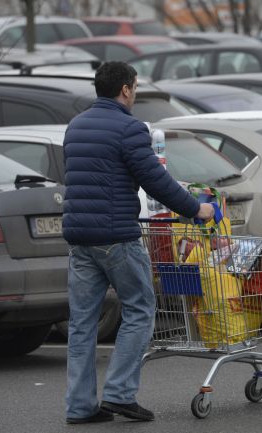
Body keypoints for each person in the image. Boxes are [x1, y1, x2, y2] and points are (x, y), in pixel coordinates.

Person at [62, 61, 214, 424]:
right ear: (127, 89)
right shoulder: (129, 128)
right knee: (141, 307)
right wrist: (197, 210)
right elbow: (155, 180)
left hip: (80, 237)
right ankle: (119, 394)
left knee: (82, 323)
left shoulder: (75, 126)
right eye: (134, 88)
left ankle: (80, 406)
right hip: (116, 236)